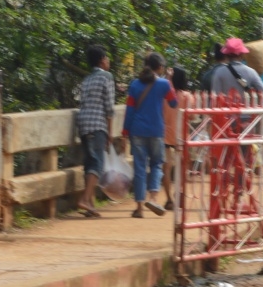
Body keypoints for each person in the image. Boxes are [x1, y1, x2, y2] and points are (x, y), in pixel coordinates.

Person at [123, 53, 177, 219]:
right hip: (156, 131)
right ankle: (153, 198)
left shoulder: (135, 84)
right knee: (156, 165)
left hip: (137, 130)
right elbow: (174, 102)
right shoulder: (163, 84)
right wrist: (169, 80)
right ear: (160, 67)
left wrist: (125, 131)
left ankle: (139, 207)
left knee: (139, 167)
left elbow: (130, 109)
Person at [74, 45, 116, 218]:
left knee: (89, 163)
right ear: (102, 60)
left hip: (83, 123)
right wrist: (110, 132)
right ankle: (85, 199)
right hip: (97, 124)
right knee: (97, 164)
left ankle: (90, 204)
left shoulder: (87, 79)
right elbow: (109, 106)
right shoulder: (106, 77)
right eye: (106, 58)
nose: (108, 61)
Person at [160, 67, 192, 213]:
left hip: (165, 134)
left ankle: (168, 199)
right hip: (182, 135)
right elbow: (191, 116)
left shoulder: (164, 95)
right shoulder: (187, 96)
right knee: (182, 168)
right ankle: (179, 193)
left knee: (166, 168)